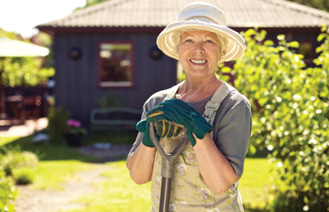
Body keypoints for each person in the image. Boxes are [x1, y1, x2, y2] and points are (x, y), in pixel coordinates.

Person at [126, 1, 252, 211]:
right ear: (178, 49)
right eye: (189, 40)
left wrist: (199, 131)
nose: (198, 50)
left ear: (220, 53)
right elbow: (138, 176)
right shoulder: (157, 103)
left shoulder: (233, 105)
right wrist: (149, 139)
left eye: (209, 41)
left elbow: (221, 183)